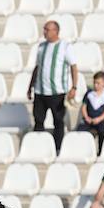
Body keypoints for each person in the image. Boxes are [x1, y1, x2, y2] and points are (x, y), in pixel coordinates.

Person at [28, 20, 79, 153]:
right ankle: (37, 147)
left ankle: (57, 148)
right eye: (44, 29)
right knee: (38, 120)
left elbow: (73, 66)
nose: (44, 32)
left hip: (57, 92)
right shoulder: (41, 47)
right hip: (40, 91)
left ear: (56, 31)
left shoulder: (65, 46)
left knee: (58, 120)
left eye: (47, 29)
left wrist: (74, 87)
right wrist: (30, 86)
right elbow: (37, 67)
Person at [77, 71, 104, 153]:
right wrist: (86, 117)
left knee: (102, 132)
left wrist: (99, 119)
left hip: (100, 120)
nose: (96, 85)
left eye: (98, 83)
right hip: (88, 119)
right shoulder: (89, 94)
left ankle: (101, 151)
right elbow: (84, 107)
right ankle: (81, 151)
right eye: (94, 83)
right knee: (80, 131)